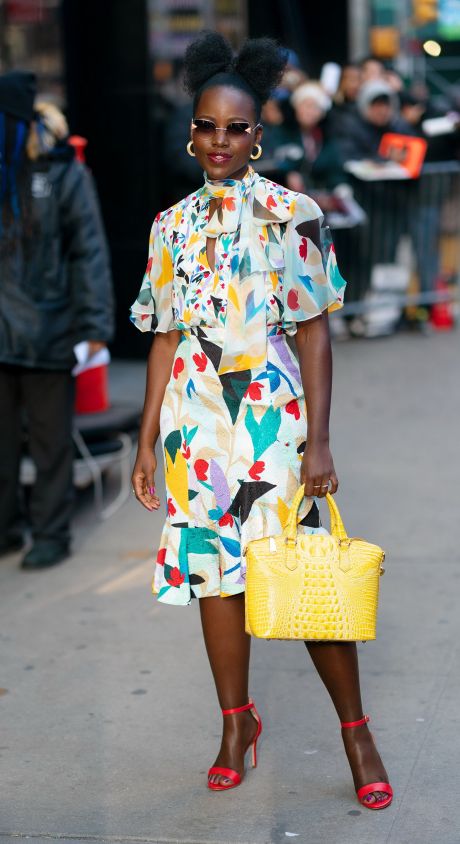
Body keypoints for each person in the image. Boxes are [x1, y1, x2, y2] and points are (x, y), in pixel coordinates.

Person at [130, 31, 392, 810]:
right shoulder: (170, 226)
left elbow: (314, 330)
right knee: (214, 577)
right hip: (194, 427)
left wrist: (321, 441)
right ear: (191, 133)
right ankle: (236, 723)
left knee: (301, 571)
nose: (220, 140)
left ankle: (357, 733)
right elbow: (164, 337)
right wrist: (145, 441)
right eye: (207, 125)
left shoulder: (292, 214)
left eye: (235, 127)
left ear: (257, 136)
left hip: (273, 425)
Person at [0, 73, 114, 569]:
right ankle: (6, 530)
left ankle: (51, 533)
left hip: (49, 329)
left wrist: (94, 328)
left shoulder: (63, 172)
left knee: (50, 444)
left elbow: (89, 253)